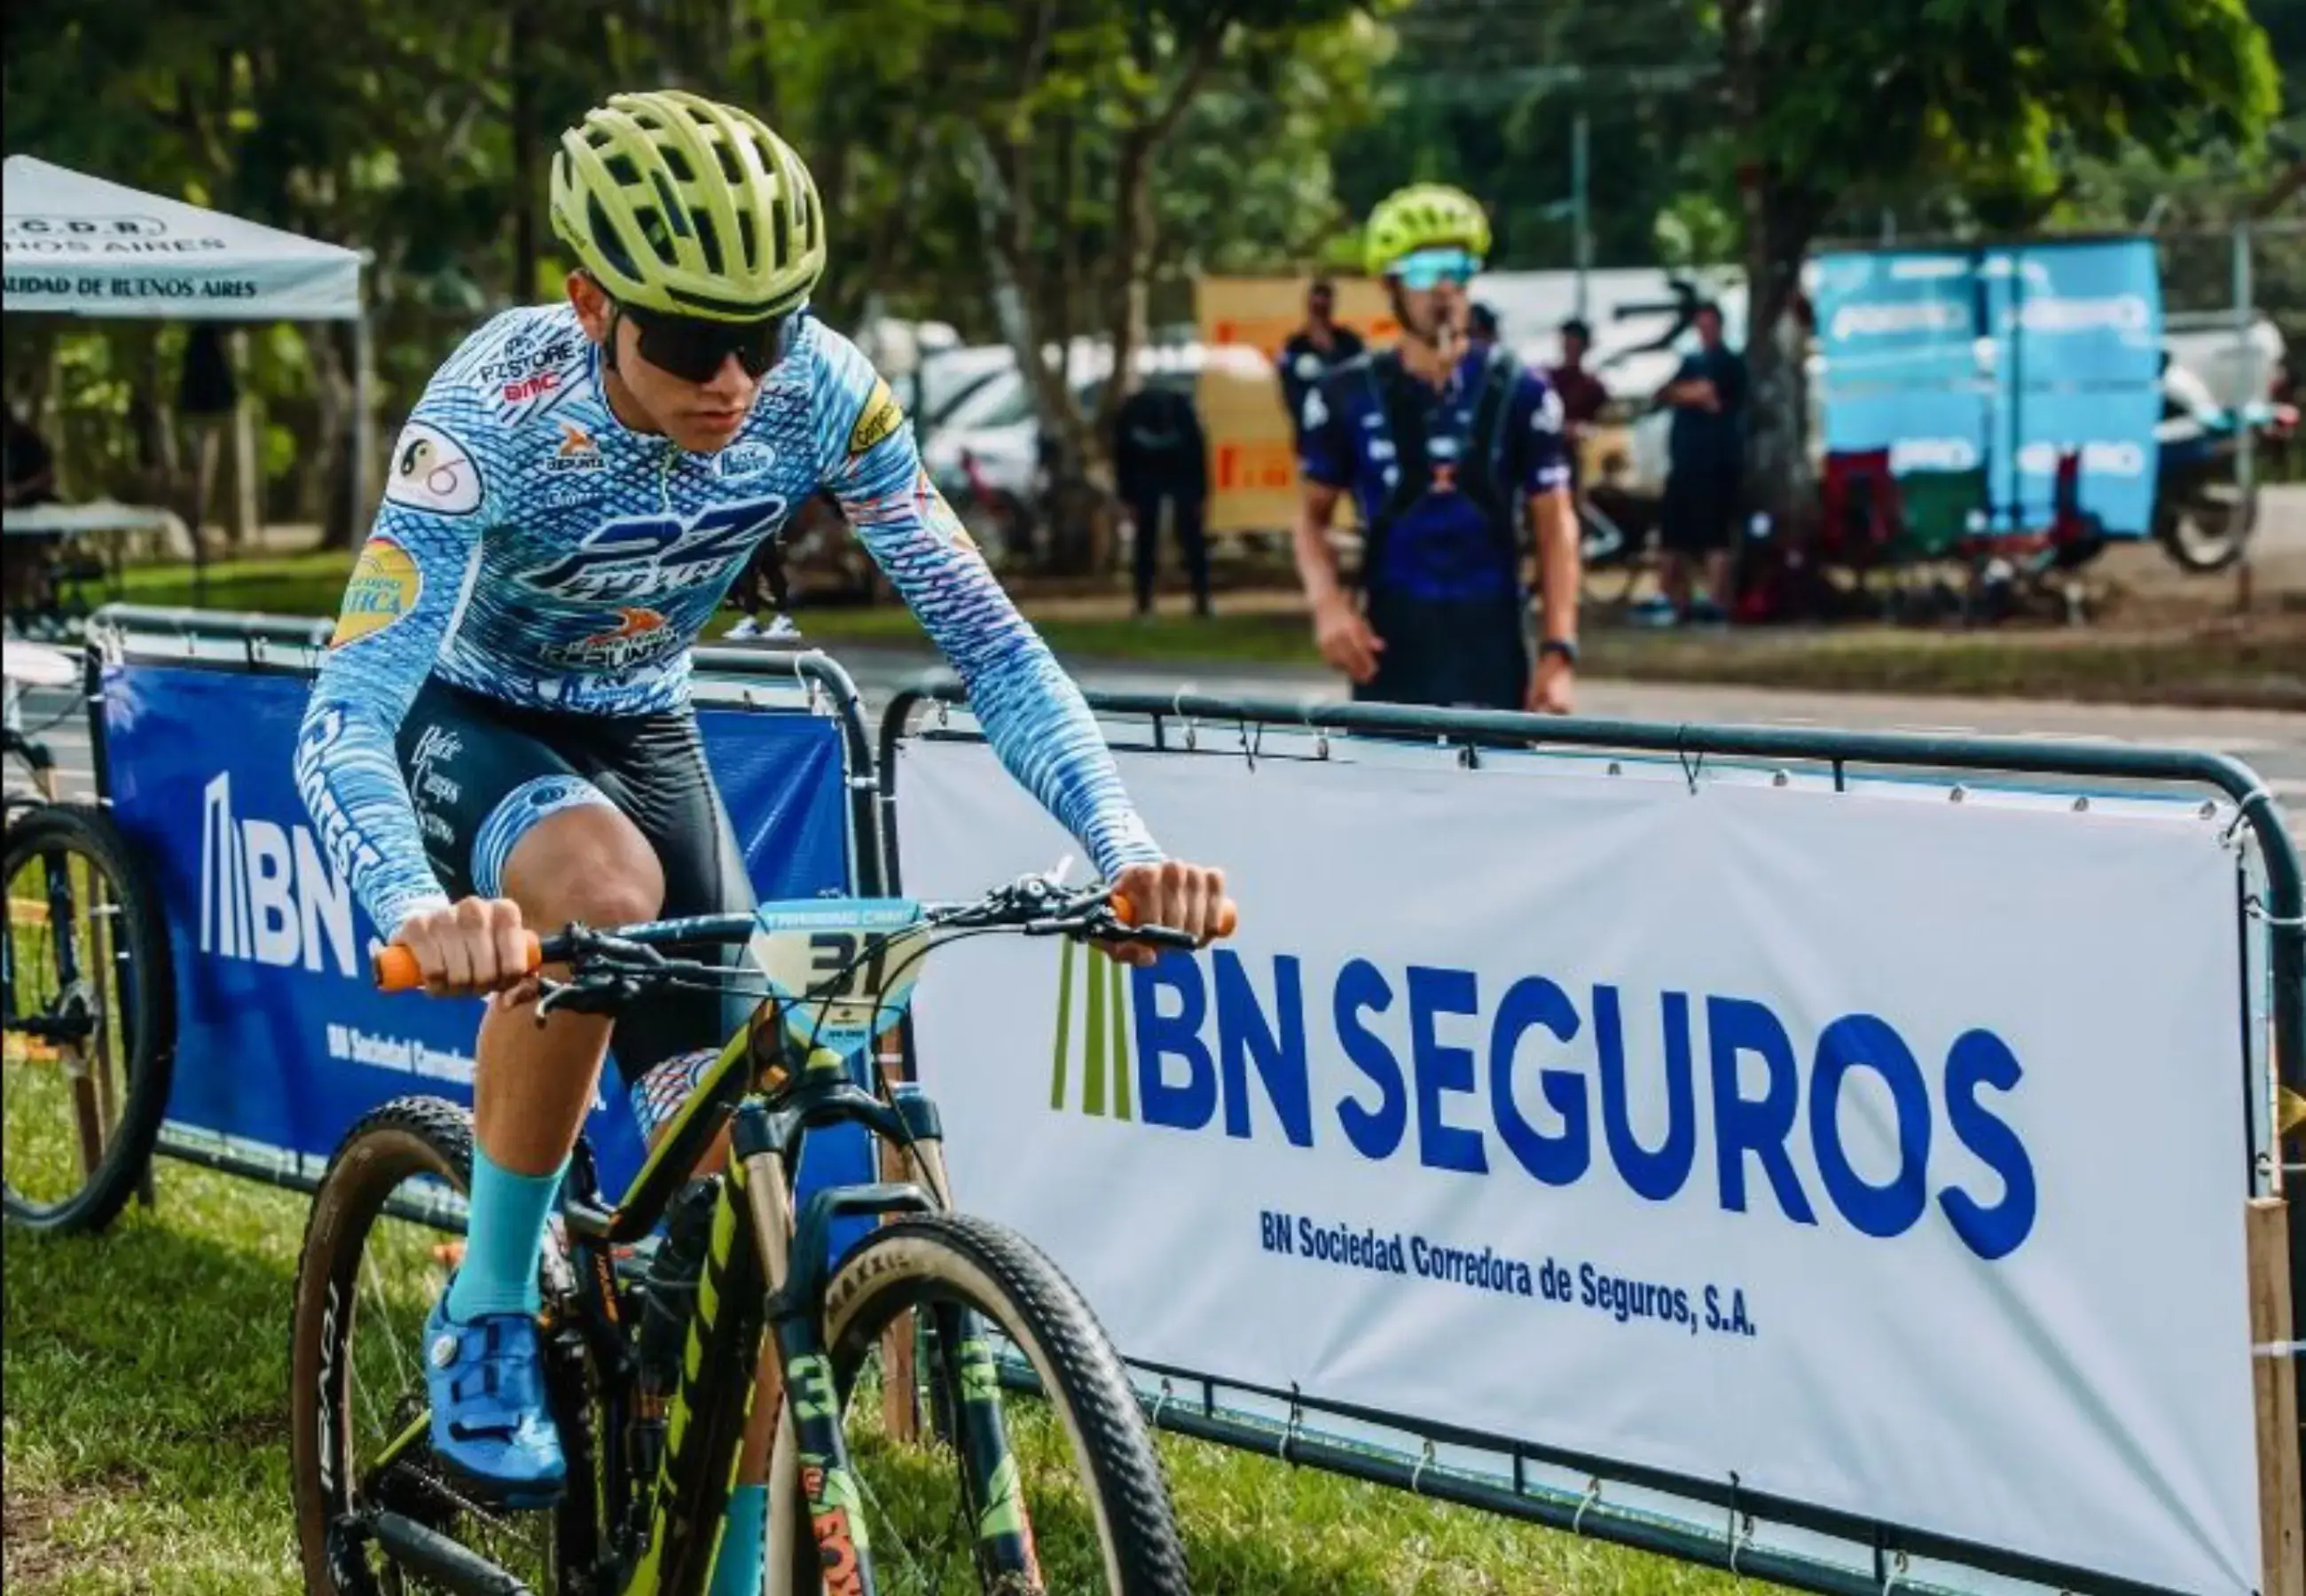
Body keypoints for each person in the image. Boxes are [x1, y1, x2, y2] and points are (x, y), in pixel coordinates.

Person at [295, 89, 1233, 1592]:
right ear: (591, 302)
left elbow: (990, 643)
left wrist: (1119, 841)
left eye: (767, 335)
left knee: (751, 1206)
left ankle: (726, 1569)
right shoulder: (492, 410)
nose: (733, 380)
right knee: (604, 889)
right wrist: (416, 902)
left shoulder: (826, 394)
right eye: (686, 340)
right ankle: (487, 1301)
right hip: (469, 716)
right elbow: (346, 708)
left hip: (643, 723)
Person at [1290, 183, 1580, 713]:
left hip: (1492, 640)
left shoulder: (1520, 389)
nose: (1444, 288)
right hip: (1392, 643)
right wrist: (1328, 607)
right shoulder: (1346, 392)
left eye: (1458, 269)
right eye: (1423, 272)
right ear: (1391, 284)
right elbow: (1311, 518)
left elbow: (1555, 523)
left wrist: (1559, 650)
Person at [1647, 301, 1745, 626]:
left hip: (1717, 463)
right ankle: (1672, 601)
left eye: (1709, 325)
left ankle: (1716, 603)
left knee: (1715, 536)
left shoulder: (1730, 363)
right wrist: (1688, 392)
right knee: (1671, 536)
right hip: (1683, 463)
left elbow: (1711, 397)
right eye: (1700, 325)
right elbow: (1663, 392)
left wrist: (1689, 393)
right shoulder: (1690, 362)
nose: (1704, 331)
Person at [1112, 377, 1211, 617]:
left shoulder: (1132, 412)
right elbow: (1199, 453)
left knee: (1146, 542)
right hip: (1179, 478)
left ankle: (1144, 603)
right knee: (1190, 540)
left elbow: (1122, 459)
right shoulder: (1182, 411)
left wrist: (1126, 496)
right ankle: (1201, 601)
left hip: (1151, 479)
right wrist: (1201, 493)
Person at [1276, 278, 1365, 446]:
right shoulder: (1295, 346)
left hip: (1348, 435)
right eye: (1316, 308)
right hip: (1311, 436)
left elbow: (1361, 383)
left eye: (1324, 308)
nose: (1319, 314)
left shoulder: (1349, 343)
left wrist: (1331, 350)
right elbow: (1289, 393)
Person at [1546, 317, 1612, 497]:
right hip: (1544, 454)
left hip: (1575, 457)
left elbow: (1602, 427)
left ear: (1586, 347)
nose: (1571, 349)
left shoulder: (1594, 387)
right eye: (1567, 342)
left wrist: (1583, 431)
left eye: (1576, 344)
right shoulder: (1546, 380)